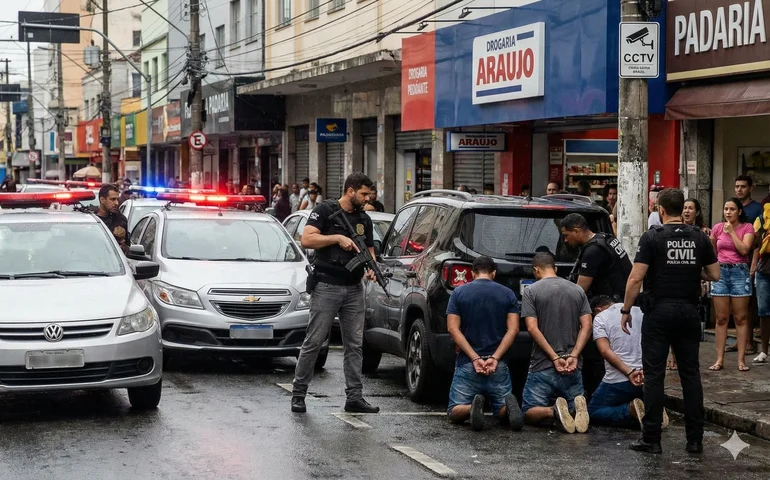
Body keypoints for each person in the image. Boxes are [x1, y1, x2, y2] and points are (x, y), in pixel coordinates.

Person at [621, 188, 720, 455]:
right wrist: (689, 269)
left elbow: (635, 278)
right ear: (682, 209)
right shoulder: (700, 236)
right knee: (691, 376)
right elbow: (715, 274)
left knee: (654, 376)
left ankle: (651, 439)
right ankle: (695, 440)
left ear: (661, 210)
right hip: (689, 312)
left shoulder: (652, 237)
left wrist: (626, 309)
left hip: (659, 313)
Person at [291, 172, 379, 414]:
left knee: (355, 345)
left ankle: (354, 397)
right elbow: (306, 239)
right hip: (327, 285)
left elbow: (369, 248)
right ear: (350, 191)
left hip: (354, 287)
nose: (367, 198)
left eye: (368, 194)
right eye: (363, 193)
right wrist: (337, 238)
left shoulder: (364, 218)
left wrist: (371, 267)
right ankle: (299, 393)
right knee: (314, 341)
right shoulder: (325, 210)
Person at [446, 256, 523, 431]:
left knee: (454, 411)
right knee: (500, 412)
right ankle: (507, 407)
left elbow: (452, 328)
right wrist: (495, 358)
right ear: (494, 273)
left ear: (473, 273)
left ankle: (470, 408)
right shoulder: (508, 294)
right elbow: (513, 329)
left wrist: (474, 358)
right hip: (498, 364)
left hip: (468, 363)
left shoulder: (459, 293)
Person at [521, 252, 592, 434]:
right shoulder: (577, 290)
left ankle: (553, 411)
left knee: (527, 412)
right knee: (574, 398)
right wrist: (574, 356)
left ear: (536, 270)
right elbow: (587, 326)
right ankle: (573, 407)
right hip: (572, 365)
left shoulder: (531, 291)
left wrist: (554, 357)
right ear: (556, 268)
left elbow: (531, 327)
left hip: (543, 365)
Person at [587, 296, 669, 429]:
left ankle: (629, 410)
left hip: (619, 380)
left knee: (593, 411)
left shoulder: (600, 317)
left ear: (598, 309)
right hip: (647, 377)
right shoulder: (642, 312)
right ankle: (653, 411)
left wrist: (629, 372)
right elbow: (657, 344)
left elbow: (605, 351)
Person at [709, 198, 755, 372]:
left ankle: (741, 360)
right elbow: (712, 251)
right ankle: (719, 359)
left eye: (732, 209)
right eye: (726, 209)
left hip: (739, 272)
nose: (728, 212)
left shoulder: (747, 228)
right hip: (721, 272)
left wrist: (732, 233)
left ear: (739, 212)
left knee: (740, 318)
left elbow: (744, 250)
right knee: (721, 318)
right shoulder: (717, 228)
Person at [561, 213, 632, 301]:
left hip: (611, 304)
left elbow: (580, 291)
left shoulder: (592, 251)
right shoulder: (606, 238)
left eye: (566, 235)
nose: (565, 240)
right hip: (624, 298)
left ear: (576, 231)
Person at [753, 202, 770, 363]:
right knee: (764, 312)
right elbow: (756, 246)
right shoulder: (762, 218)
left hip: (763, 270)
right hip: (764, 270)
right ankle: (764, 351)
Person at [95, 184, 130, 254]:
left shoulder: (121, 220)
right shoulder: (91, 220)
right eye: (113, 199)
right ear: (102, 200)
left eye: (117, 199)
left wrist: (121, 242)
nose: (117, 203)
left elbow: (128, 249)